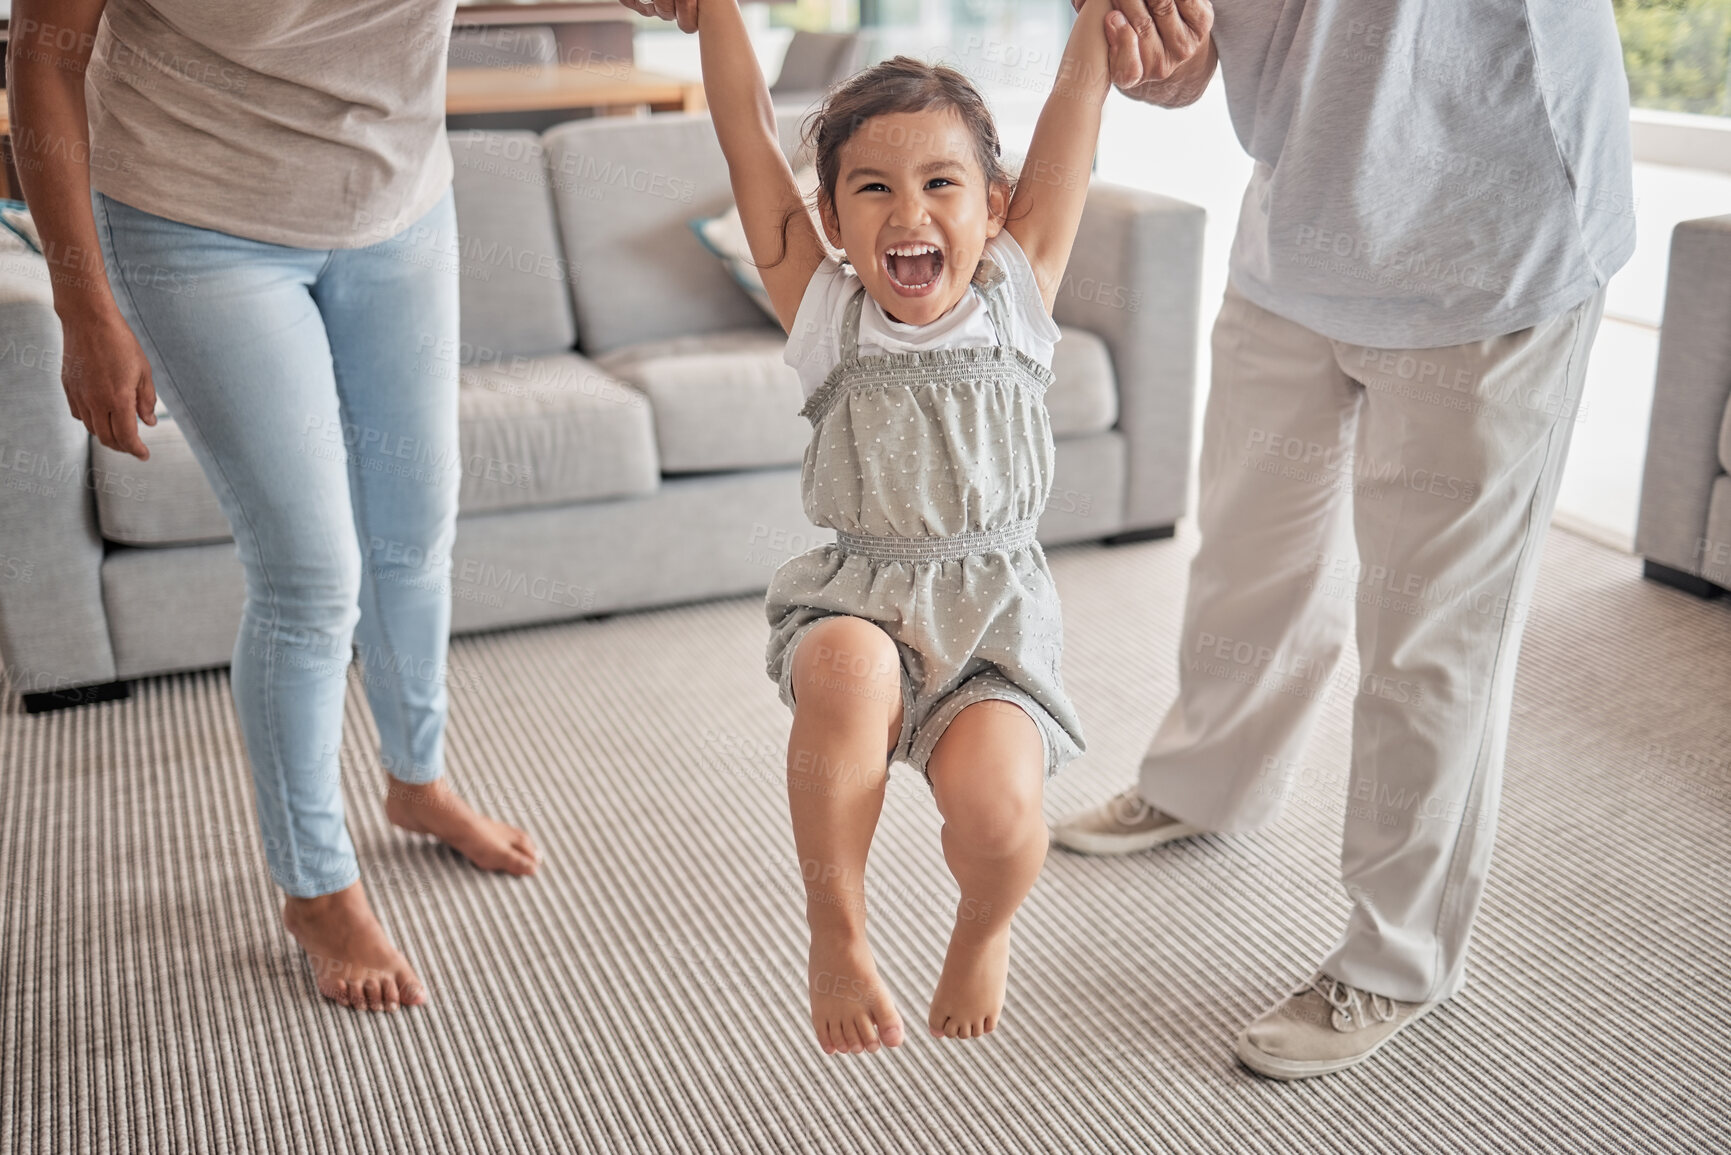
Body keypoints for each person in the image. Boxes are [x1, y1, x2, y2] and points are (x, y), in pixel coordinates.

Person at [1050, 0, 1634, 1079]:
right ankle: (1202, 782)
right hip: (1301, 224)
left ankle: (1399, 956)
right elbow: (1185, 62)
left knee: (1428, 641)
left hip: (1492, 236)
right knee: (1246, 555)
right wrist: (1153, 43)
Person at [12, 0, 539, 1013]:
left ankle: (416, 781)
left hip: (399, 203)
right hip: (194, 219)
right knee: (310, 578)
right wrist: (84, 309)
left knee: (415, 531)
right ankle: (315, 886)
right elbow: (44, 54)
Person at [682, 0, 1112, 1053]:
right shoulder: (826, 310)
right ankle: (839, 936)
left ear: (996, 206)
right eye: (871, 188)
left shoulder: (1021, 289)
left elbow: (1077, 107)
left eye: (940, 185)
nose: (906, 212)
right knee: (838, 672)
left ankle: (982, 930)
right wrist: (717, 16)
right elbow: (744, 134)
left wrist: (1104, 20)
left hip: (996, 622)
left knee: (1006, 827)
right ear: (830, 217)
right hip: (861, 595)